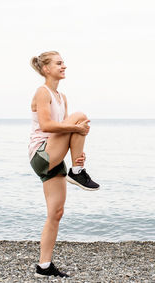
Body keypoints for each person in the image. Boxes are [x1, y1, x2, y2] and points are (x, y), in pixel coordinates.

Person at [28, 51, 99, 278]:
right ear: (46, 68)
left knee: (56, 213)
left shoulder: (62, 97)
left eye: (64, 63)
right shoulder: (42, 92)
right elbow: (47, 125)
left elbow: (66, 133)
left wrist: (77, 154)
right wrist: (77, 129)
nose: (64, 66)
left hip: (54, 156)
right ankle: (77, 173)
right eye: (59, 63)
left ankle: (44, 267)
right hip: (41, 154)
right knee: (80, 117)